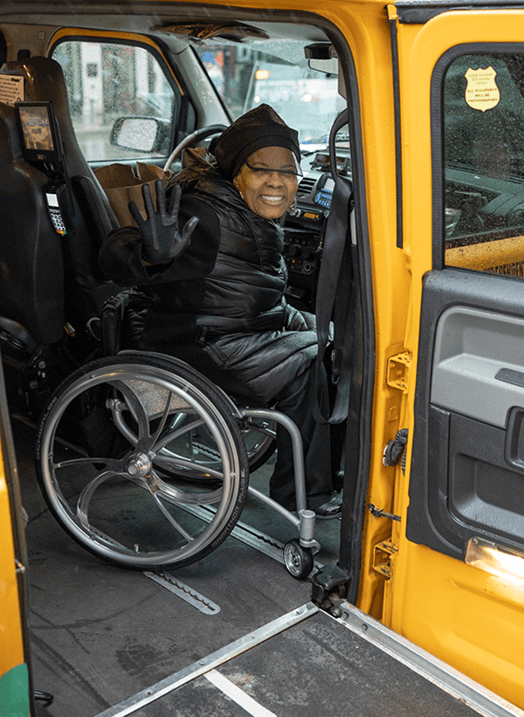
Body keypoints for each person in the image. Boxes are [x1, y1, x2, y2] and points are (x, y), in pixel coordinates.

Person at [98, 104, 342, 517]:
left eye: (287, 171)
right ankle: (306, 495)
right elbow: (112, 256)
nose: (277, 182)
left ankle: (329, 468)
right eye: (262, 169)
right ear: (236, 172)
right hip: (200, 341)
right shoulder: (204, 213)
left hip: (242, 326)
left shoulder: (244, 209)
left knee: (340, 341)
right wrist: (150, 255)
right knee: (313, 366)